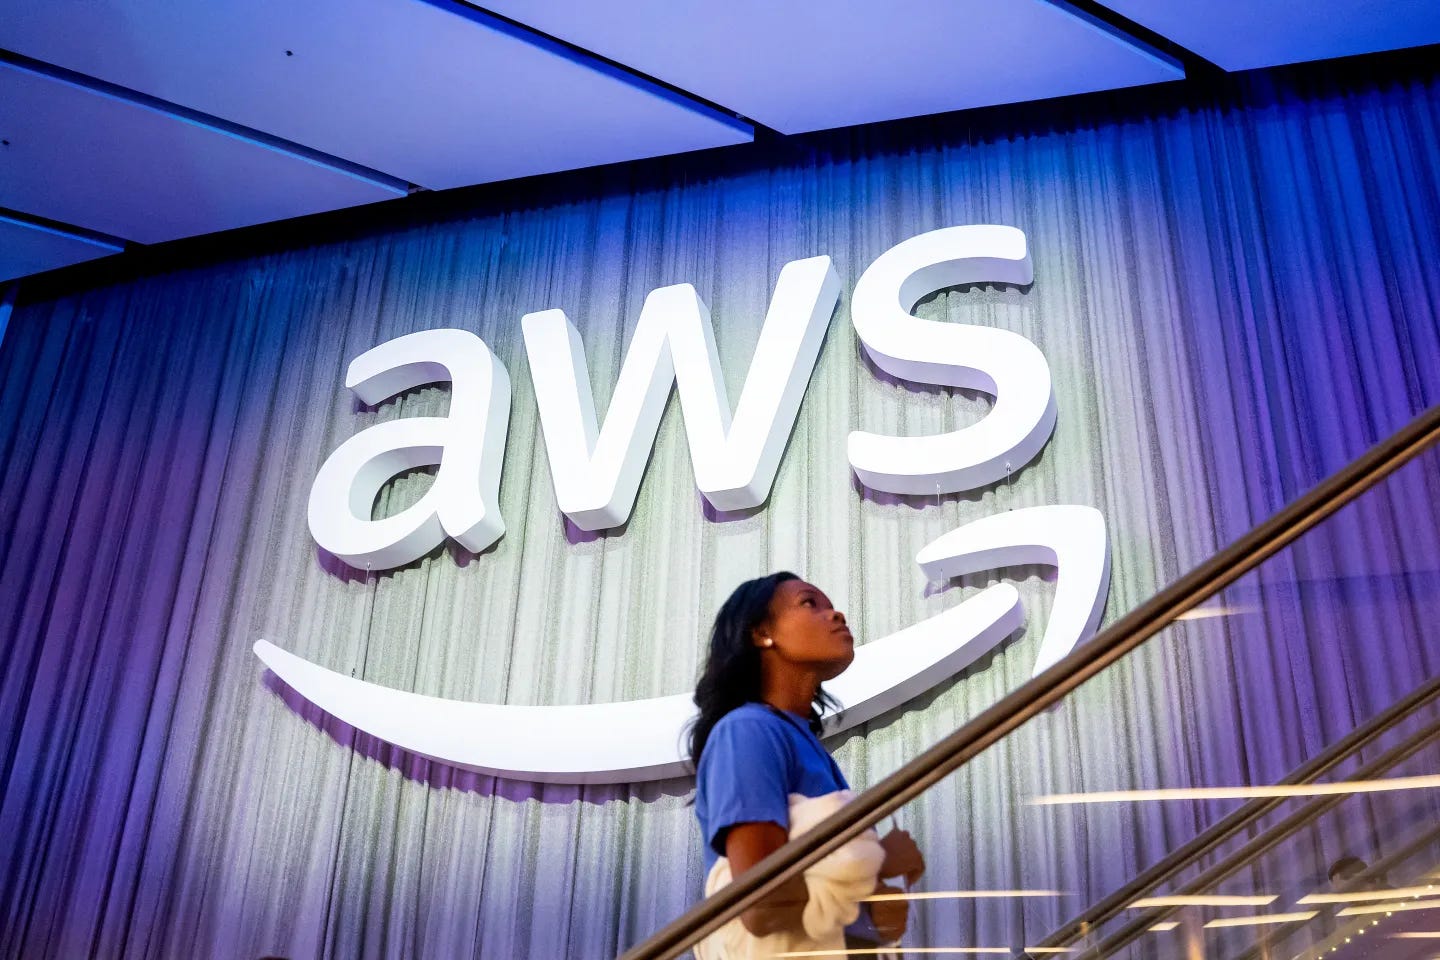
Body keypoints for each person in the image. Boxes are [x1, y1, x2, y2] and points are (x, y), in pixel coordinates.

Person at [690, 571, 926, 954]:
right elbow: (762, 906)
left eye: (830, 605)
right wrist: (878, 863)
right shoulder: (748, 731)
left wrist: (871, 915)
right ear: (761, 633)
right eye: (809, 603)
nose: (836, 615)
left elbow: (814, 909)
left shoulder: (802, 743)